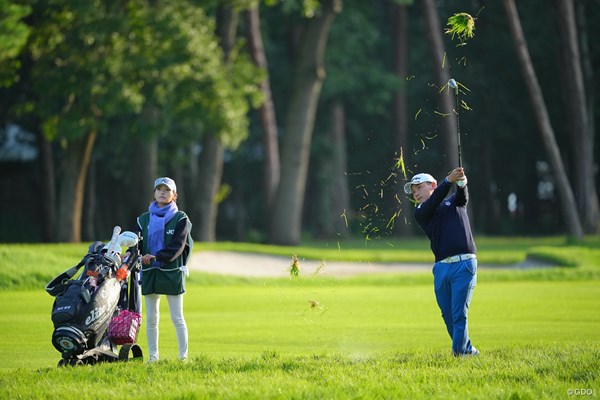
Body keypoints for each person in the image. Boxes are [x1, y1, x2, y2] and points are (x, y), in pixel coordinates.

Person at [404, 167, 479, 357]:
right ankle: (468, 350)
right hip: (441, 268)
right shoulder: (420, 212)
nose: (416, 193)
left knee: (459, 315)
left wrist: (461, 182)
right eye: (413, 191)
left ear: (433, 185)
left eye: (419, 187)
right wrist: (449, 180)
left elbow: (462, 196)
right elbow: (435, 201)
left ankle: (457, 356)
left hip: (464, 264)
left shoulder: (454, 203)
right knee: (448, 316)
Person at [134, 177, 191, 362]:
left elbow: (178, 246)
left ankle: (183, 358)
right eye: (159, 189)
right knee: (151, 319)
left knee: (177, 317)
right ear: (154, 193)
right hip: (150, 272)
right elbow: (136, 244)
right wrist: (135, 255)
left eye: (167, 190)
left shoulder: (180, 218)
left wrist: (157, 257)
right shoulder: (143, 219)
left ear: (174, 195)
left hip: (172, 272)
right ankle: (153, 358)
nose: (162, 192)